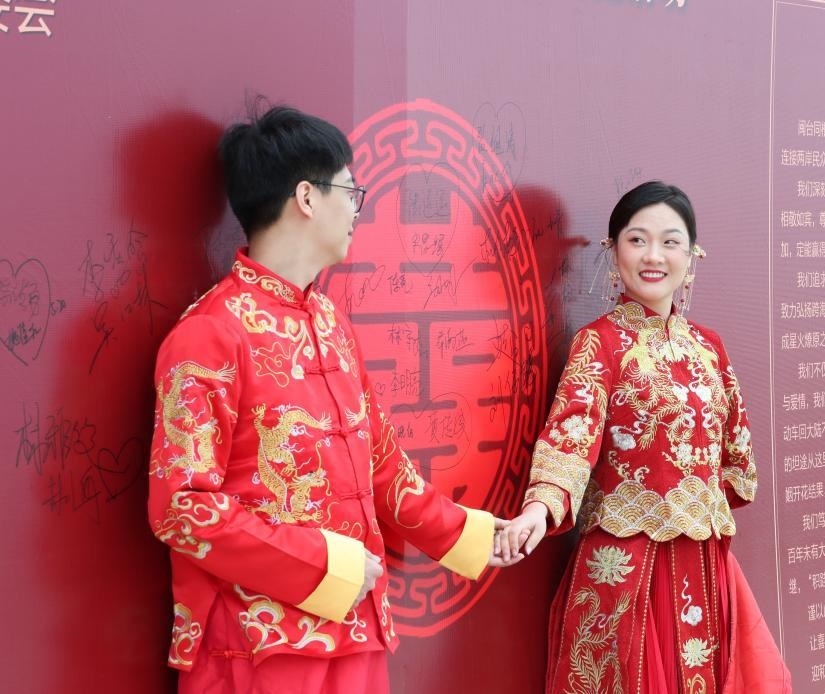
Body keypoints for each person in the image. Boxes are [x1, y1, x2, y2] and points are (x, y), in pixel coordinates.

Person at [148, 103, 519, 693]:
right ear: (307, 197)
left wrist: (471, 535)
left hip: (356, 626)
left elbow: (382, 464)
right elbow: (182, 508)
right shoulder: (211, 334)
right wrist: (327, 564)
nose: (355, 211)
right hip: (256, 644)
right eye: (350, 192)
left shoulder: (330, 323)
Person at [502, 181, 791, 693]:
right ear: (614, 252)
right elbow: (571, 436)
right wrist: (538, 509)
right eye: (637, 240)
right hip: (628, 567)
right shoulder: (599, 343)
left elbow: (736, 461)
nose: (653, 256)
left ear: (692, 256)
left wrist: (690, 509)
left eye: (670, 242)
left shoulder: (710, 347)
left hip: (703, 567)